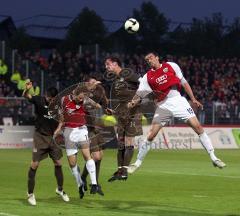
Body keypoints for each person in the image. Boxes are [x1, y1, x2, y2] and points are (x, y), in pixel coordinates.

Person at [127, 51, 226, 173]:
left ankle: (214, 157)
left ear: (157, 58)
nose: (149, 61)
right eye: (147, 60)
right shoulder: (147, 77)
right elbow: (139, 93)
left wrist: (193, 99)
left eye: (151, 58)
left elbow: (184, 82)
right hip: (163, 105)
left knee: (198, 127)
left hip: (179, 101)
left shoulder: (171, 66)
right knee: (151, 134)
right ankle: (137, 163)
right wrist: (132, 102)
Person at [23, 81, 69, 206]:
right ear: (46, 96)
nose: (51, 101)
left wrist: (59, 129)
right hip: (40, 137)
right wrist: (27, 89)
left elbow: (62, 119)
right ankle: (30, 193)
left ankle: (60, 189)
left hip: (53, 138)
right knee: (34, 165)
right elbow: (26, 96)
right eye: (50, 99)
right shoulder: (39, 100)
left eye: (53, 99)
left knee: (59, 163)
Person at [53, 83, 102, 199]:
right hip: (69, 132)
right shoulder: (63, 100)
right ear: (74, 93)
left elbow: (98, 107)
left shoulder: (85, 100)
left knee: (87, 155)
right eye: (80, 97)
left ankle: (94, 183)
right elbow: (61, 116)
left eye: (83, 97)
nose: (81, 100)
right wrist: (59, 128)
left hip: (81, 130)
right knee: (72, 163)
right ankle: (80, 184)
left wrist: (93, 108)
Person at [104, 56, 143, 181]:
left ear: (115, 64)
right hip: (121, 113)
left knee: (129, 142)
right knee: (120, 144)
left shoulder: (127, 73)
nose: (106, 67)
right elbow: (120, 99)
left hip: (133, 112)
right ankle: (120, 171)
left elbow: (143, 85)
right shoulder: (116, 79)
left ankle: (125, 171)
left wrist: (135, 101)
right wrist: (113, 111)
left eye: (108, 64)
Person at [80, 77, 110, 195]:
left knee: (100, 157)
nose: (95, 84)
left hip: (98, 128)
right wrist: (94, 87)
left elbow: (104, 104)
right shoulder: (82, 95)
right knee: (96, 157)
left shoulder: (97, 93)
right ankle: (89, 180)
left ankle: (94, 182)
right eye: (92, 82)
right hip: (88, 129)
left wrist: (106, 107)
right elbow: (87, 99)